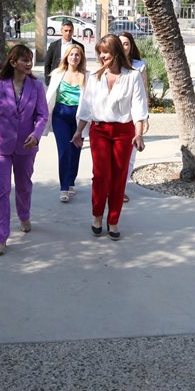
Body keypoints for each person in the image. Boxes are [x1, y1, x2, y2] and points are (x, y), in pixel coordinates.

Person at [72, 34, 148, 240]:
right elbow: (86, 108)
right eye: (100, 53)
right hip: (99, 131)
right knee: (101, 175)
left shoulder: (132, 76)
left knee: (118, 177)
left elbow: (139, 108)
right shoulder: (94, 77)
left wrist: (139, 134)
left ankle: (113, 220)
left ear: (115, 52)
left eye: (105, 52)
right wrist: (79, 131)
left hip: (124, 132)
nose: (102, 56)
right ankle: (97, 216)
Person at [0, 43, 48, 255]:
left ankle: (24, 215)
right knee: (2, 191)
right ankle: (0, 236)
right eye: (24, 60)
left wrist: (36, 135)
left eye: (30, 60)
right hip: (0, 145)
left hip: (26, 146)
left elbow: (42, 115)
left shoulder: (36, 86)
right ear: (13, 62)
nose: (29, 63)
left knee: (24, 186)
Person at [44, 42, 87, 202]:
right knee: (64, 151)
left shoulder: (86, 76)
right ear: (66, 57)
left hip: (79, 118)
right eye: (71, 54)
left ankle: (70, 182)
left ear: (81, 57)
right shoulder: (57, 74)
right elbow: (49, 96)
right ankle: (64, 187)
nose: (74, 57)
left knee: (75, 151)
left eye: (77, 55)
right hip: (60, 116)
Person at [117, 31, 150, 198]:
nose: (124, 47)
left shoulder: (139, 66)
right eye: (121, 44)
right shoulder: (111, 64)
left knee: (130, 156)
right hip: (116, 116)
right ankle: (111, 187)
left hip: (134, 117)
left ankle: (120, 189)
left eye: (126, 44)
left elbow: (144, 92)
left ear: (131, 46)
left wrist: (145, 117)